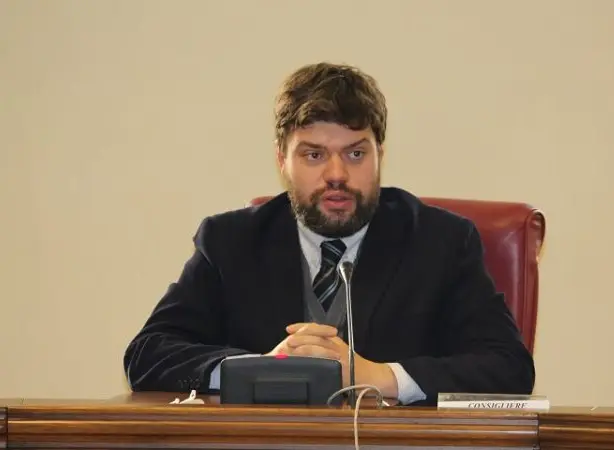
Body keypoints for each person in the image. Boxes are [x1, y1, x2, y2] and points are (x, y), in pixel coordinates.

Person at [123, 62, 535, 406]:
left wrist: (381, 376)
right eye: (314, 154)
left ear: (380, 155)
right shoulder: (230, 241)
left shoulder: (441, 241)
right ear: (282, 159)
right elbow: (147, 355)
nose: (336, 174)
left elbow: (509, 368)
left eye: (355, 153)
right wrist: (258, 369)